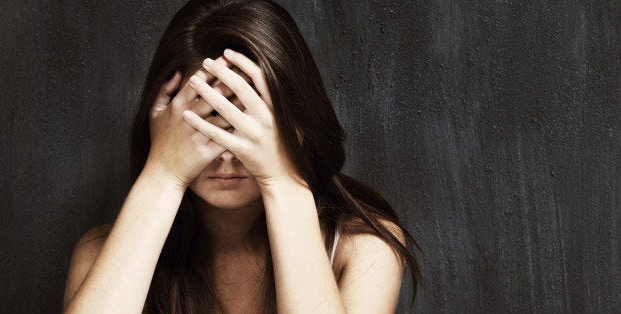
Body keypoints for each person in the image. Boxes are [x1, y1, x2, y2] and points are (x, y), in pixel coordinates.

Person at [63, 0, 422, 313]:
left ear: (297, 124)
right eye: (205, 124)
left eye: (247, 126)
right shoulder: (99, 253)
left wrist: (283, 181)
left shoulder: (361, 247)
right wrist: (162, 175)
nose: (227, 156)